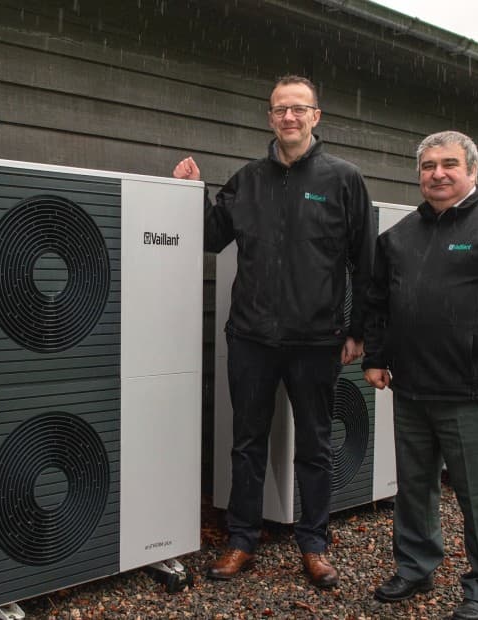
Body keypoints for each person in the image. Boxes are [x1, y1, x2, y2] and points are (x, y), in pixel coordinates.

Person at [173, 75, 374, 588]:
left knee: (315, 444)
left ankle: (314, 544)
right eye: (280, 109)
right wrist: (192, 194)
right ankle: (242, 540)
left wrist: (358, 330)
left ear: (316, 116)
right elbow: (210, 237)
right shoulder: (247, 180)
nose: (289, 117)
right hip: (252, 338)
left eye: (298, 109)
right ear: (270, 117)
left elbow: (364, 261)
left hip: (317, 341)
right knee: (247, 443)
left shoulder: (344, 179)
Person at [362, 131, 478, 620]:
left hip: (473, 391)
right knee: (413, 486)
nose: (438, 174)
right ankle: (415, 566)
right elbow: (379, 303)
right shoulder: (399, 237)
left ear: (472, 170)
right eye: (428, 166)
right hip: (411, 388)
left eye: (449, 164)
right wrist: (376, 358)